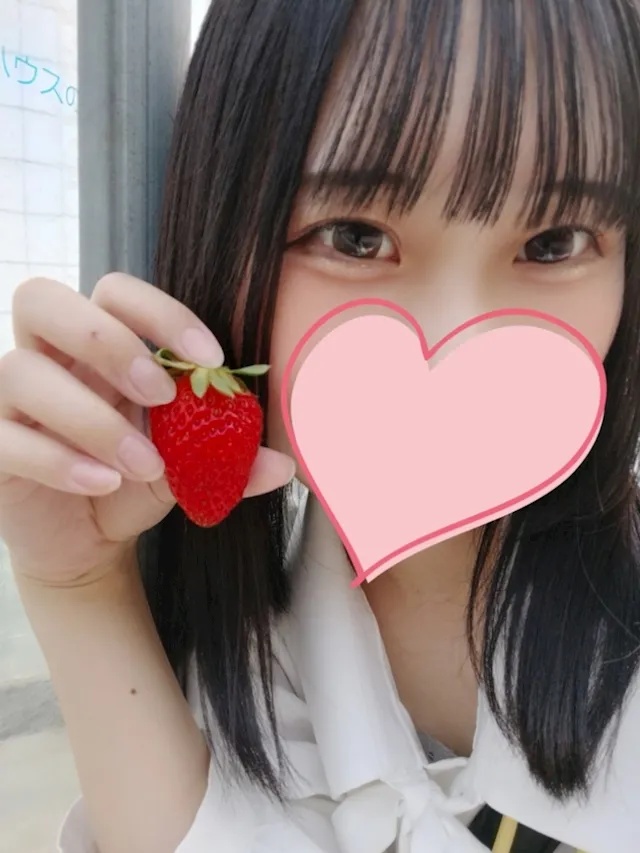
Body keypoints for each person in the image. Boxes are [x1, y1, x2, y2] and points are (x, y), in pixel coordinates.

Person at [2, 1, 640, 851]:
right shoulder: (235, 671)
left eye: (555, 243)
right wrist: (77, 586)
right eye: (354, 236)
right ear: (223, 229)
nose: (456, 338)